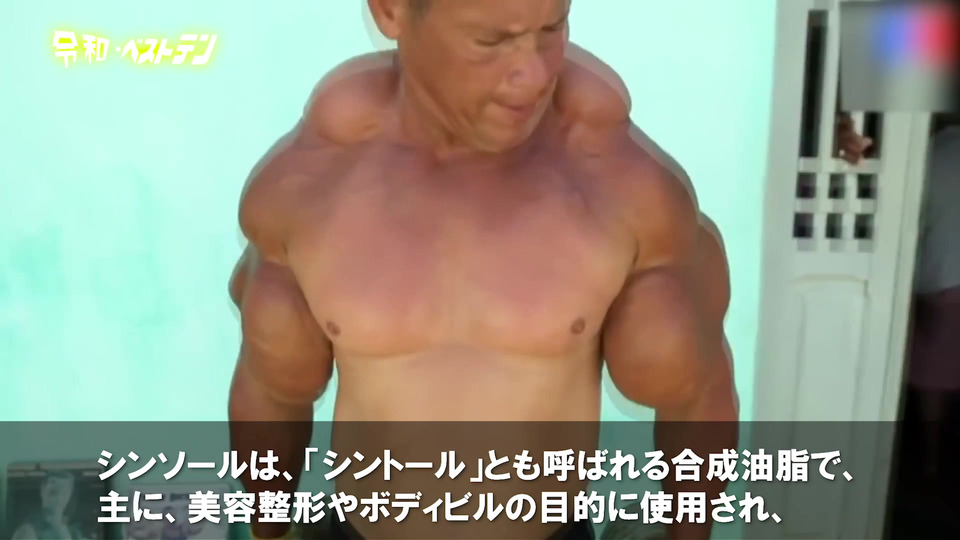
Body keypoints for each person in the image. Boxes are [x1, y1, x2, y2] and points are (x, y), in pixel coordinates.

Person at [228, 1, 738, 538]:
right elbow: (272, 385)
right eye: (491, 42)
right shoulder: (313, 184)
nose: (534, 75)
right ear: (391, 11)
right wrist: (268, 530)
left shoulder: (619, 183)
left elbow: (697, 389)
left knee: (665, 335)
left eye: (552, 29)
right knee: (277, 336)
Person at [838, 111, 960, 480]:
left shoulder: (927, 154)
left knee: (931, 379)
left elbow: (904, 220)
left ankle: (931, 460)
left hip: (941, 278)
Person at [12, 472, 85, 540]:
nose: (58, 498)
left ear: (69, 495)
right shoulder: (27, 531)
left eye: (64, 493)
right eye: (53, 492)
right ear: (42, 491)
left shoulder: (74, 532)